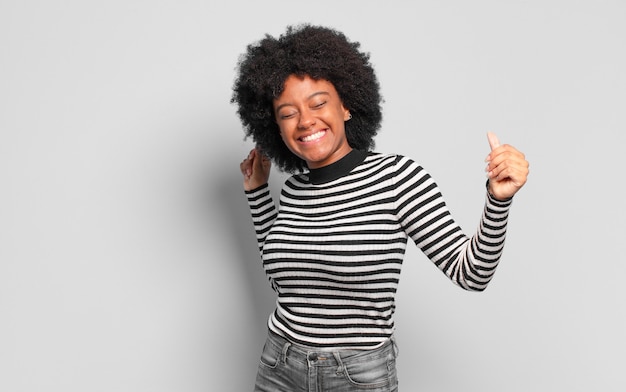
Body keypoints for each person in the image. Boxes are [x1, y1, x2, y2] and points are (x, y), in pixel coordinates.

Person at [232, 24, 529, 392]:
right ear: (275, 127)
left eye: (319, 102)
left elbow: (471, 274)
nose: (305, 120)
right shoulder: (293, 190)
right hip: (279, 365)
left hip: (356, 375)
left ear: (347, 106)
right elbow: (285, 284)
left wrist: (498, 201)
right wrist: (257, 192)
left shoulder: (398, 178)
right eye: (287, 112)